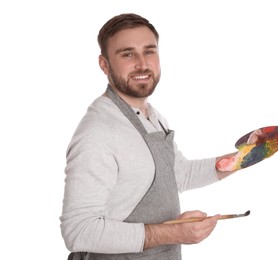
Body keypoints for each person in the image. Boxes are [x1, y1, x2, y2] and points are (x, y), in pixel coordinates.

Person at [60, 13, 258, 260]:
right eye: (128, 54)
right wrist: (172, 233)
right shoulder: (98, 132)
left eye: (149, 51)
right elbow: (78, 231)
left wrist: (247, 156)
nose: (142, 63)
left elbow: (180, 174)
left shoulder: (151, 116)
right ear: (104, 64)